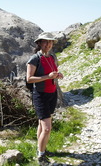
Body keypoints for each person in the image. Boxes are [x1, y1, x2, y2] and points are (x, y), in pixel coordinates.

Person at [26, 32, 64, 166]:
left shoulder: (52, 57)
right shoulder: (34, 59)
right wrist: (48, 76)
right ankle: (41, 156)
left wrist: (57, 75)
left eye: (51, 42)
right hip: (40, 95)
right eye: (45, 42)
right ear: (40, 43)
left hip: (51, 94)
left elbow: (52, 73)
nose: (48, 44)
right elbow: (29, 79)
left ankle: (41, 149)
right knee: (47, 128)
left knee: (41, 125)